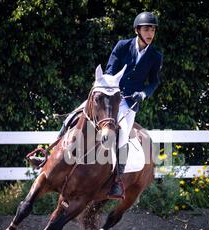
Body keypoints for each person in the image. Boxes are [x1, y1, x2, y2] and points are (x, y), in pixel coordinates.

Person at [29, 11, 163, 200]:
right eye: (147, 29)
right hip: (110, 95)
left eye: (153, 30)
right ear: (137, 30)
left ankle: (116, 181)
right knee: (73, 115)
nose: (150, 33)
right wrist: (109, 89)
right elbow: (110, 69)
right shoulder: (122, 46)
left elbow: (154, 81)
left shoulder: (155, 56)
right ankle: (46, 158)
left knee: (123, 134)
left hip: (128, 103)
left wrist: (144, 93)